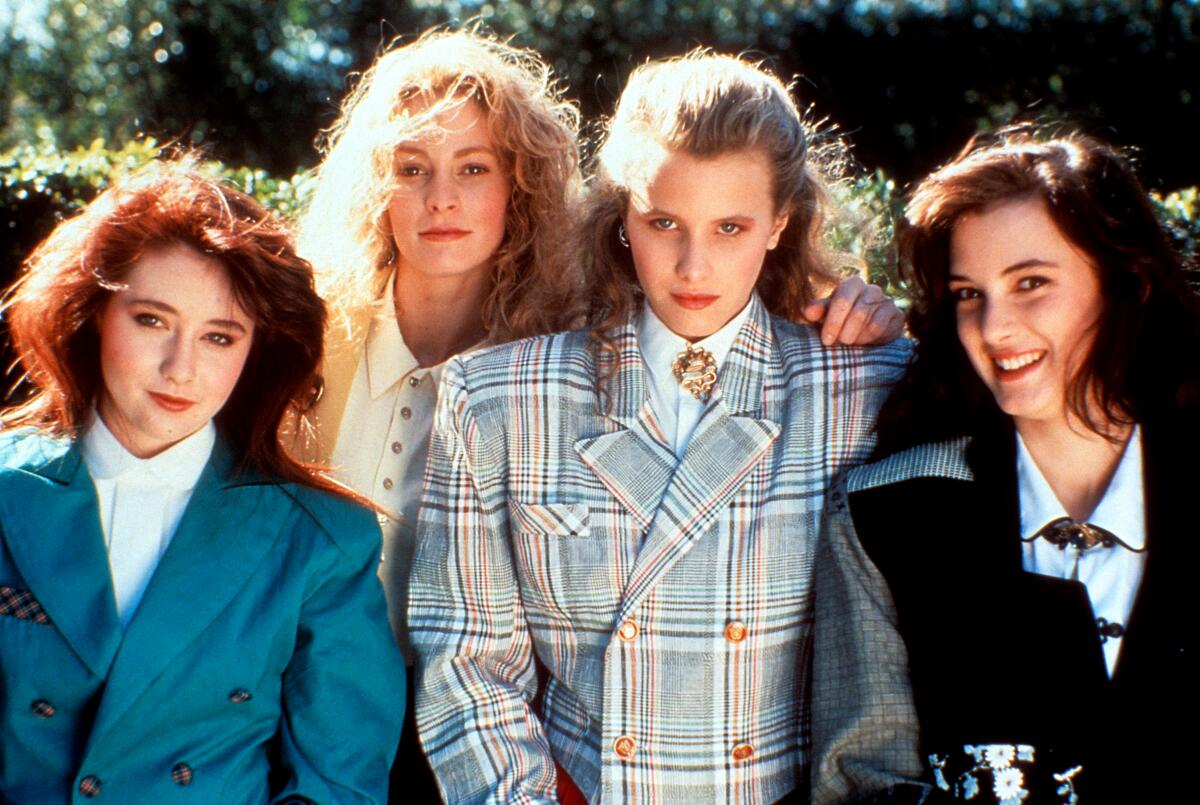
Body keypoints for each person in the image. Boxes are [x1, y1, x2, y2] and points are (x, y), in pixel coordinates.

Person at [294, 28, 905, 801]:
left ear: (781, 222)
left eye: (731, 227)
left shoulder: (860, 386)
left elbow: (884, 677)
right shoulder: (498, 392)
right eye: (663, 223)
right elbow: (470, 662)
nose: (693, 267)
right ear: (622, 216)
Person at [812, 129, 1199, 804]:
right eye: (968, 293)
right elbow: (861, 779)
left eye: (1031, 282)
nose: (993, 327)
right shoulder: (886, 517)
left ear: (1124, 282)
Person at [0, 159, 405, 803]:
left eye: (219, 337)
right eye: (152, 320)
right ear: (93, 313)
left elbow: (340, 784)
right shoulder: (6, 487)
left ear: (256, 352)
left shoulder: (323, 543)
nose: (180, 368)